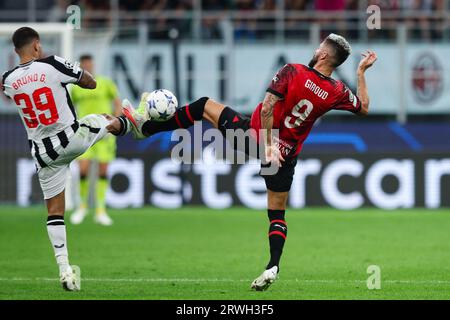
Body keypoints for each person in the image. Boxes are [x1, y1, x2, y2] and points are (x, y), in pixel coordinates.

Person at [119, 33, 377, 291]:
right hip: (286, 155)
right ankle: (273, 266)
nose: (315, 49)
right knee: (276, 213)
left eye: (319, 47)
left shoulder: (293, 71)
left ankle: (146, 129)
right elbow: (364, 107)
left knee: (202, 106)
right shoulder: (337, 91)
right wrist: (361, 72)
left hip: (254, 137)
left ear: (323, 54)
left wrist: (267, 146)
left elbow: (267, 108)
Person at [1, 27, 127, 291]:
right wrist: (73, 68)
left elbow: (6, 91)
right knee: (107, 120)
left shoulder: (9, 80)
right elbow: (90, 82)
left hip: (44, 155)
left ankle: (65, 270)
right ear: (37, 46)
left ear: (15, 52)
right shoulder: (52, 63)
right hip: (71, 139)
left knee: (55, 212)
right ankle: (141, 119)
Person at [70, 54, 121, 226]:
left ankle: (100, 210)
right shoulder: (75, 88)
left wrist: (117, 123)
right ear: (81, 66)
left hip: (105, 132)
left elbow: (117, 102)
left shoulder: (105, 83)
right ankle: (82, 207)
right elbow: (68, 106)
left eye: (90, 64)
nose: (88, 67)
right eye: (85, 65)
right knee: (83, 170)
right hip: (84, 133)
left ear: (93, 65)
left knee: (103, 171)